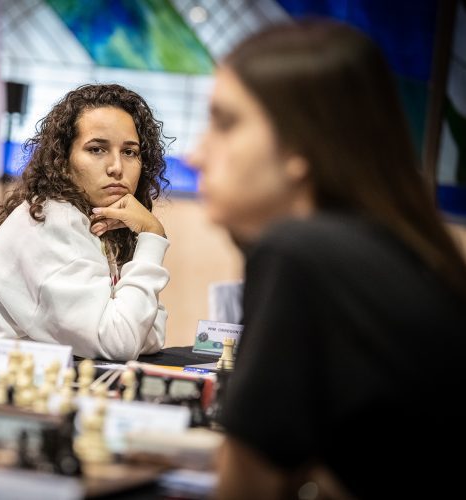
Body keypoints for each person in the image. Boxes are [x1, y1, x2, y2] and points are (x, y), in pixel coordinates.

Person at [186, 19, 466, 499]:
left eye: (225, 123)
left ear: (299, 146)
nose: (195, 154)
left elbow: (246, 487)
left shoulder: (300, 254)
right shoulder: (400, 250)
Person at [0, 83, 171, 360]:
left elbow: (150, 334)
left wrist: (129, 326)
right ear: (63, 160)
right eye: (96, 149)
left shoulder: (100, 219)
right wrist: (153, 234)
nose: (117, 167)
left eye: (129, 152)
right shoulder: (52, 221)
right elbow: (121, 342)